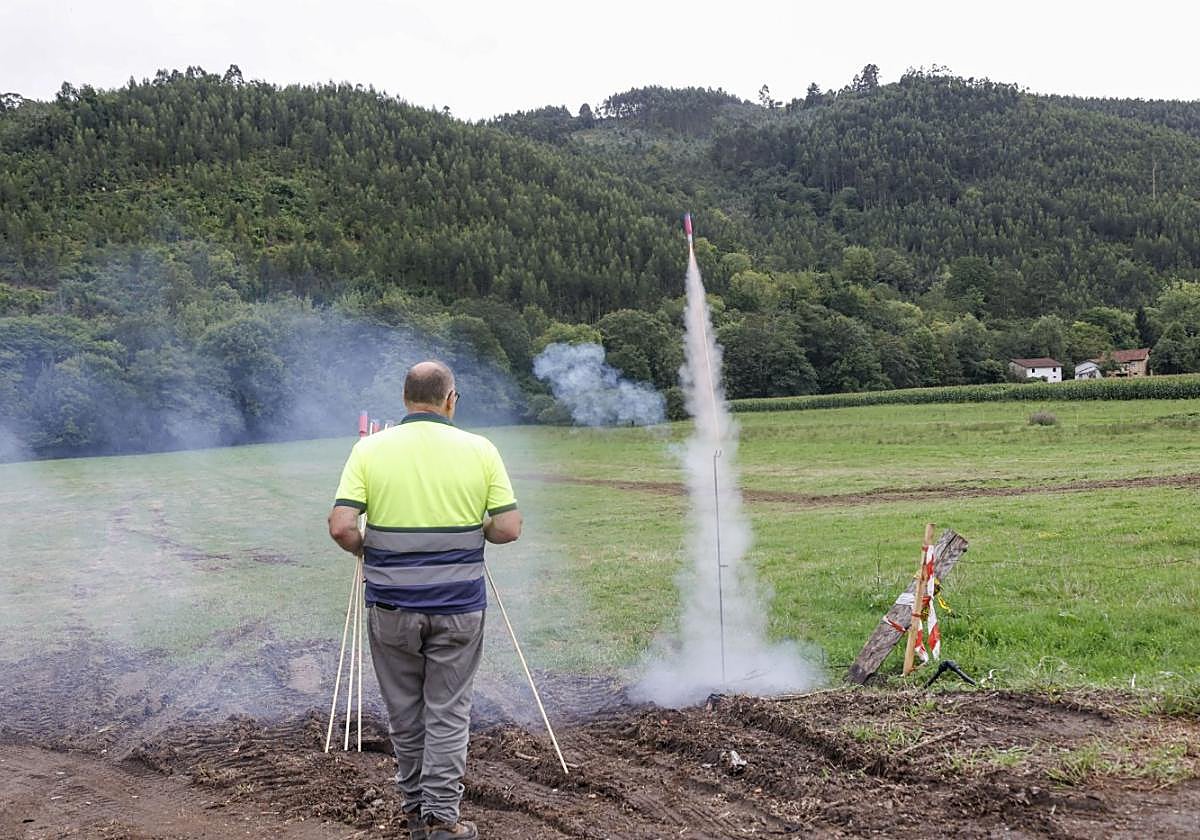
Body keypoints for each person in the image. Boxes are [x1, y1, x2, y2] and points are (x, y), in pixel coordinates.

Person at [328, 360, 522, 840]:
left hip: (391, 605)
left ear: (404, 398)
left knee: (405, 711)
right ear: (450, 400)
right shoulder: (480, 449)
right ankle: (440, 818)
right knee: (448, 711)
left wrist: (366, 549)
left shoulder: (369, 449)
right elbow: (508, 527)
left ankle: (417, 813)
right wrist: (477, 530)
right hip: (459, 606)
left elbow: (342, 526)